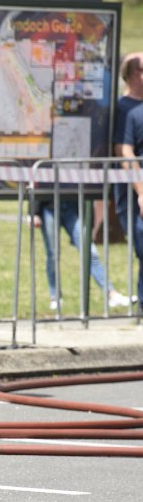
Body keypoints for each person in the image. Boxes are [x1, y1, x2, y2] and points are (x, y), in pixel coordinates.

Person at [34, 199, 131, 310]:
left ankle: (111, 294)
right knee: (52, 255)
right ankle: (55, 297)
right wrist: (33, 212)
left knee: (90, 252)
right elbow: (35, 184)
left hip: (71, 207)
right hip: (48, 207)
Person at [113, 52, 143, 311]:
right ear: (134, 74)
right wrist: (141, 192)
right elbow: (125, 151)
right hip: (133, 195)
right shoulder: (123, 109)